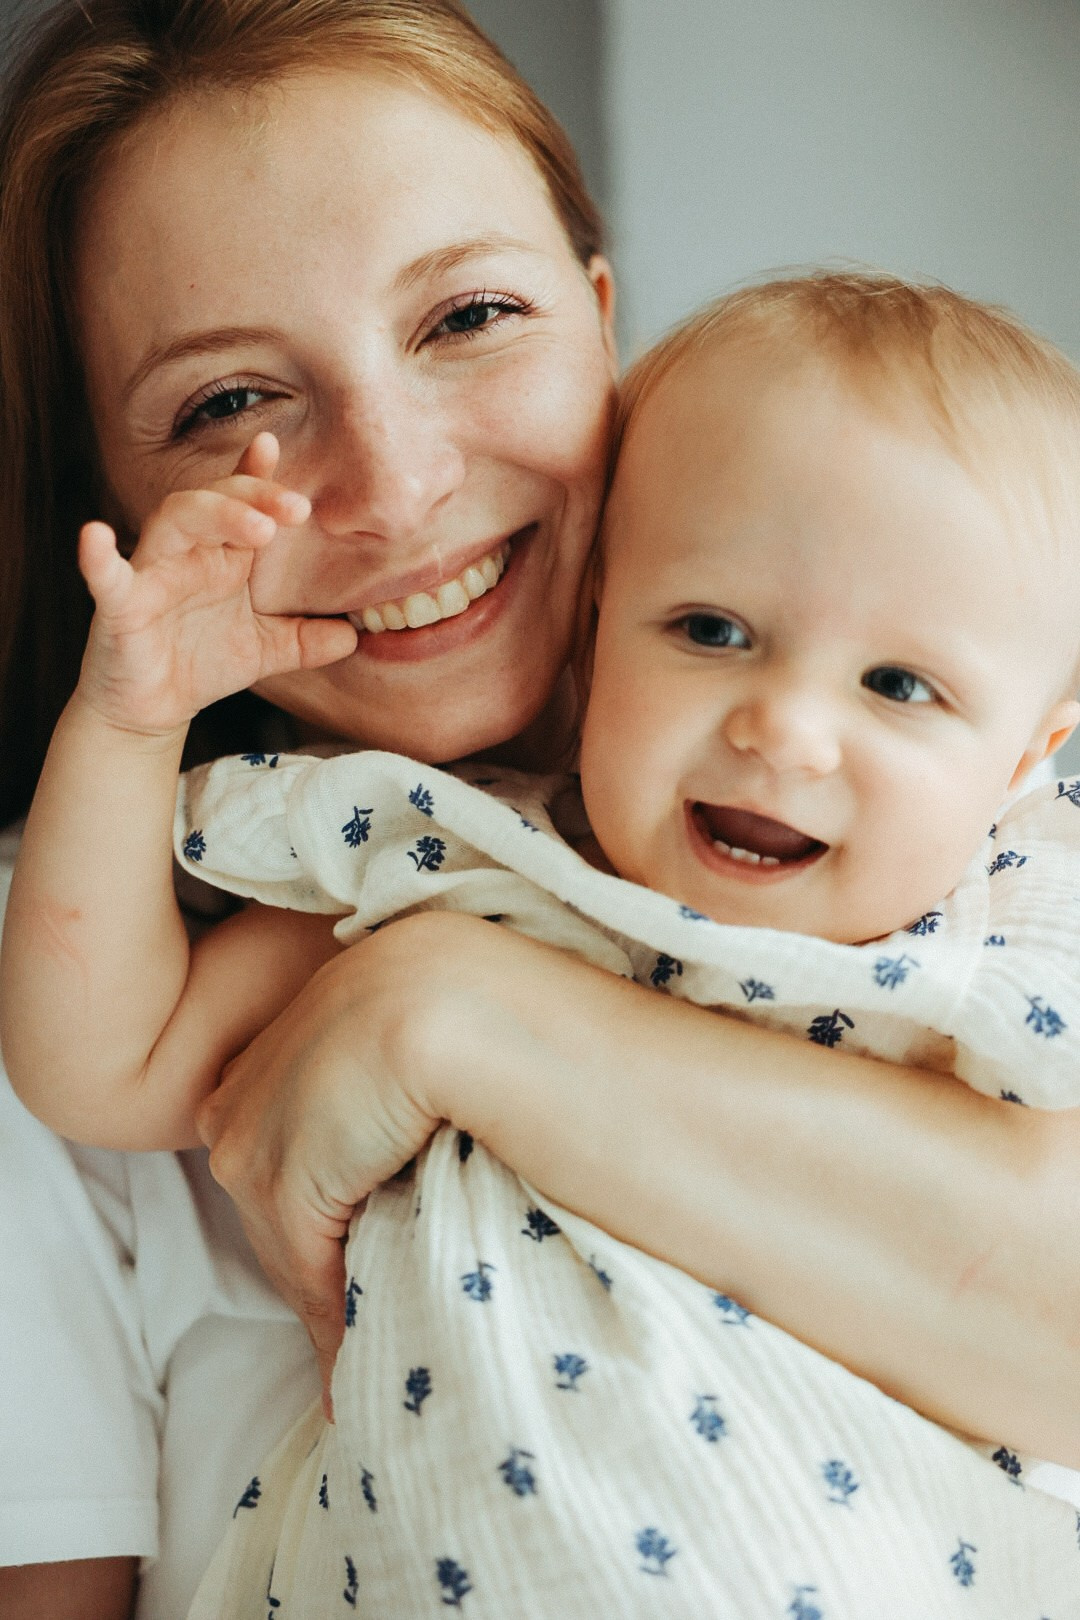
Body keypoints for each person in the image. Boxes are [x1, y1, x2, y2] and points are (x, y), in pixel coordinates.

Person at [0, 0, 1077, 1613]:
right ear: (114, 499)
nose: (396, 479)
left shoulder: (982, 818)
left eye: (468, 316)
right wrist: (125, 720)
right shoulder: (358, 869)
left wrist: (456, 1018)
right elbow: (97, 1062)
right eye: (228, 405)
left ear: (598, 319)